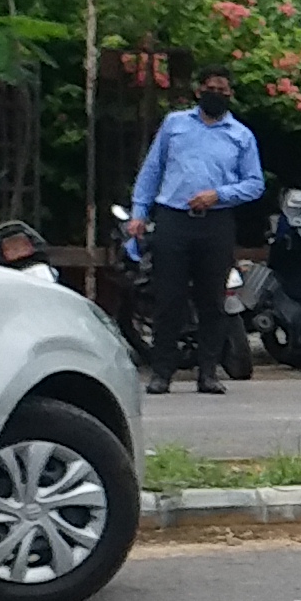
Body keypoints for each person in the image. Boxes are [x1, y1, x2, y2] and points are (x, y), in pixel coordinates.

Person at [124, 74, 263, 396]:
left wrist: (220, 194)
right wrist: (138, 213)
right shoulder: (175, 124)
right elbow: (152, 169)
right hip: (173, 218)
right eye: (209, 89)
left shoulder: (240, 136)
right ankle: (161, 373)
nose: (215, 94)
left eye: (222, 90)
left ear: (231, 94)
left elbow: (255, 183)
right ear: (199, 91)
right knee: (168, 299)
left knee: (213, 300)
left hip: (215, 222)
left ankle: (209, 373)